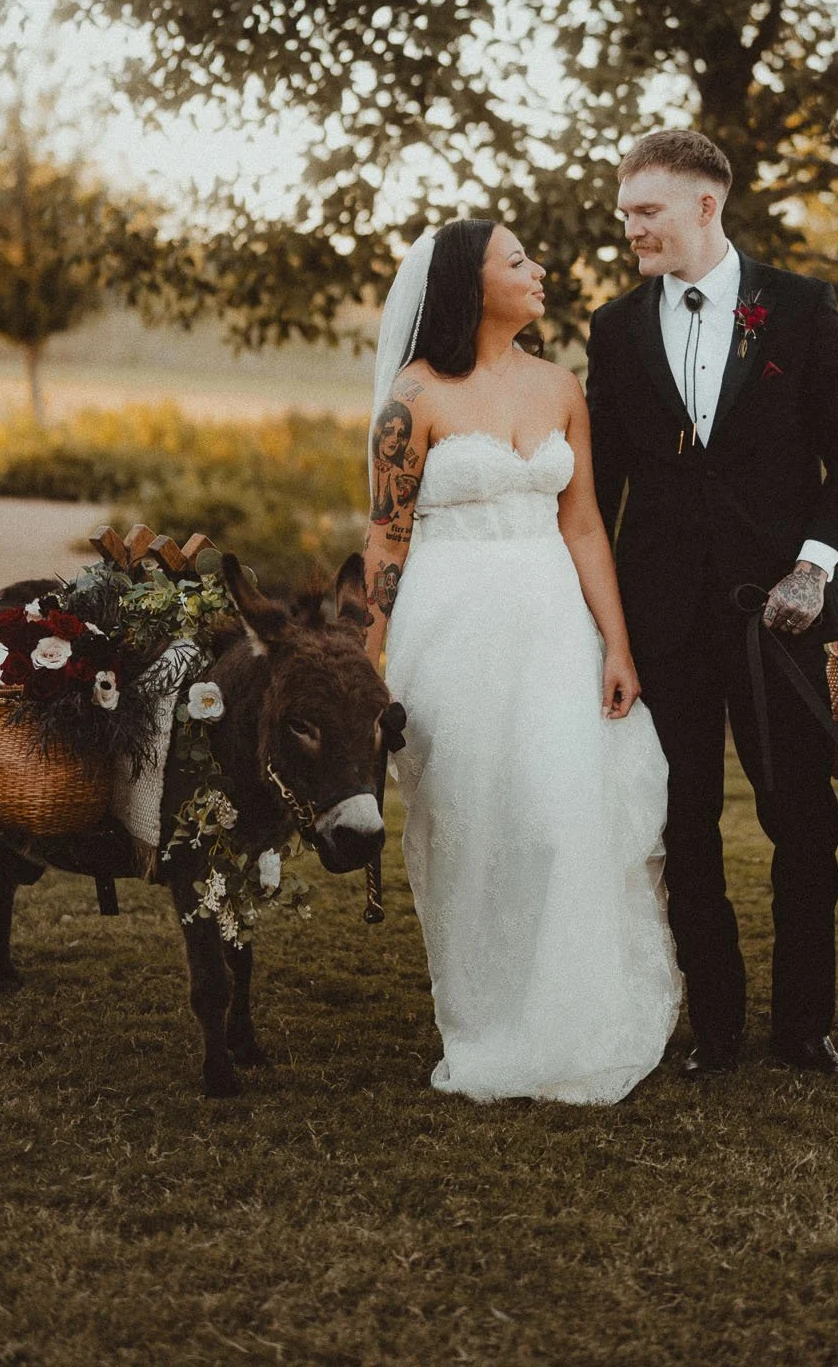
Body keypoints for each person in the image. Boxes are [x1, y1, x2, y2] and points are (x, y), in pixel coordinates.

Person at [361, 219, 679, 1103]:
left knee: (556, 813)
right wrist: (368, 658)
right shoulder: (413, 396)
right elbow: (386, 539)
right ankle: (484, 1023)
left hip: (550, 622)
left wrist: (615, 643)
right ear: (472, 284)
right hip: (450, 624)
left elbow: (581, 523)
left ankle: (568, 1019)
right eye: (517, 262)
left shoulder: (560, 386)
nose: (539, 271)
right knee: (466, 822)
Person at [586, 130, 838, 1082]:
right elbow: (601, 486)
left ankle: (805, 1028)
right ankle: (712, 1028)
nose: (630, 228)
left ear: (706, 206)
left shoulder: (798, 310)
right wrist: (604, 630)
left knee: (801, 820)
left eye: (647, 212)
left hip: (781, 617)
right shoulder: (614, 328)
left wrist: (813, 567)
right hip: (662, 620)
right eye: (626, 212)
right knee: (685, 822)